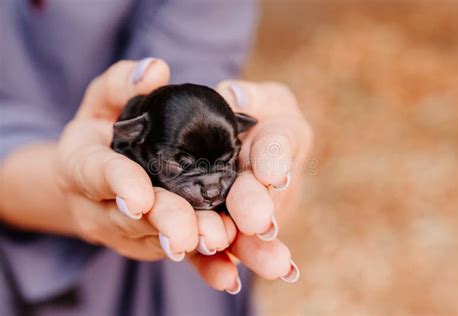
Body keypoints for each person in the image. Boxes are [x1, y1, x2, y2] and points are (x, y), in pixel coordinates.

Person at [0, 1, 312, 315]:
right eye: (183, 164)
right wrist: (62, 185)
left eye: (227, 159)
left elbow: (201, 56)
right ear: (133, 136)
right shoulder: (129, 135)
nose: (213, 188)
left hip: (178, 269)